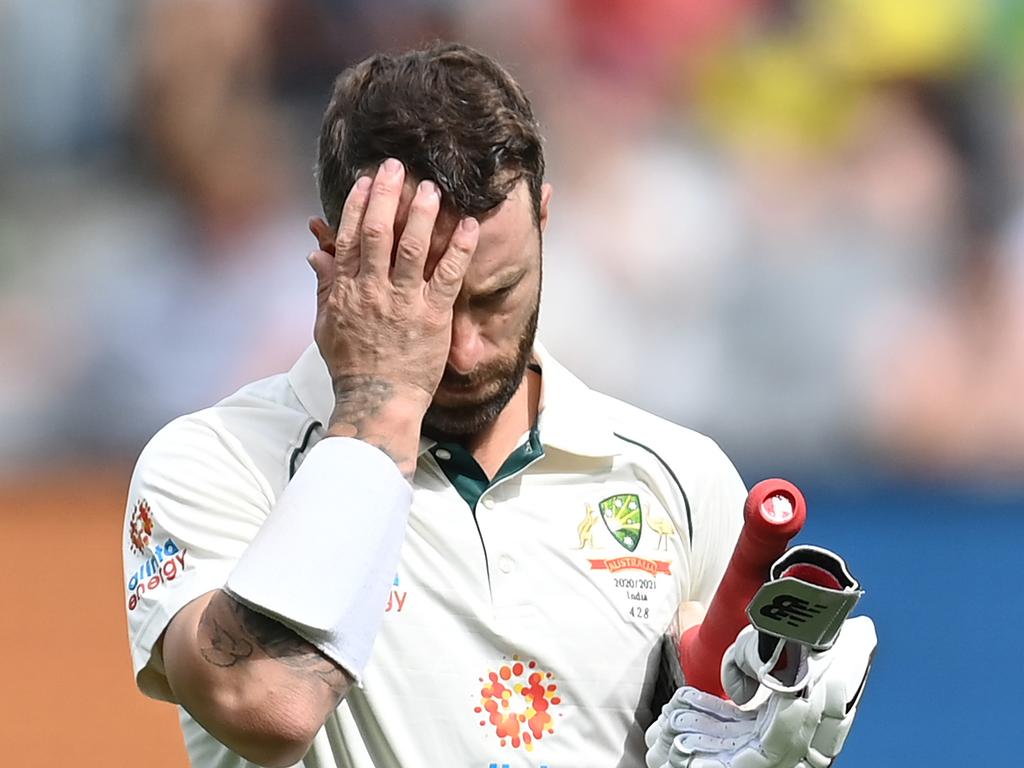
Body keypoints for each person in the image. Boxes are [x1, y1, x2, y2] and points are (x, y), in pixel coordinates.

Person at [122, 42, 874, 768]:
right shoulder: (215, 463)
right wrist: (381, 405)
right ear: (332, 255)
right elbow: (269, 704)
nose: (468, 350)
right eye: (426, 305)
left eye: (497, 295)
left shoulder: (678, 475)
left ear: (544, 221)